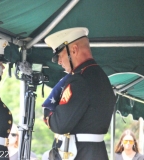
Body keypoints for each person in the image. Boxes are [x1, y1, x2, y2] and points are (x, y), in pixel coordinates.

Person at [42, 27, 116, 160]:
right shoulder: (101, 76)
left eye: (59, 55)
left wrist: (48, 113)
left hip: (81, 153)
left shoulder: (79, 80)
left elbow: (59, 124)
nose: (58, 61)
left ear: (74, 50)